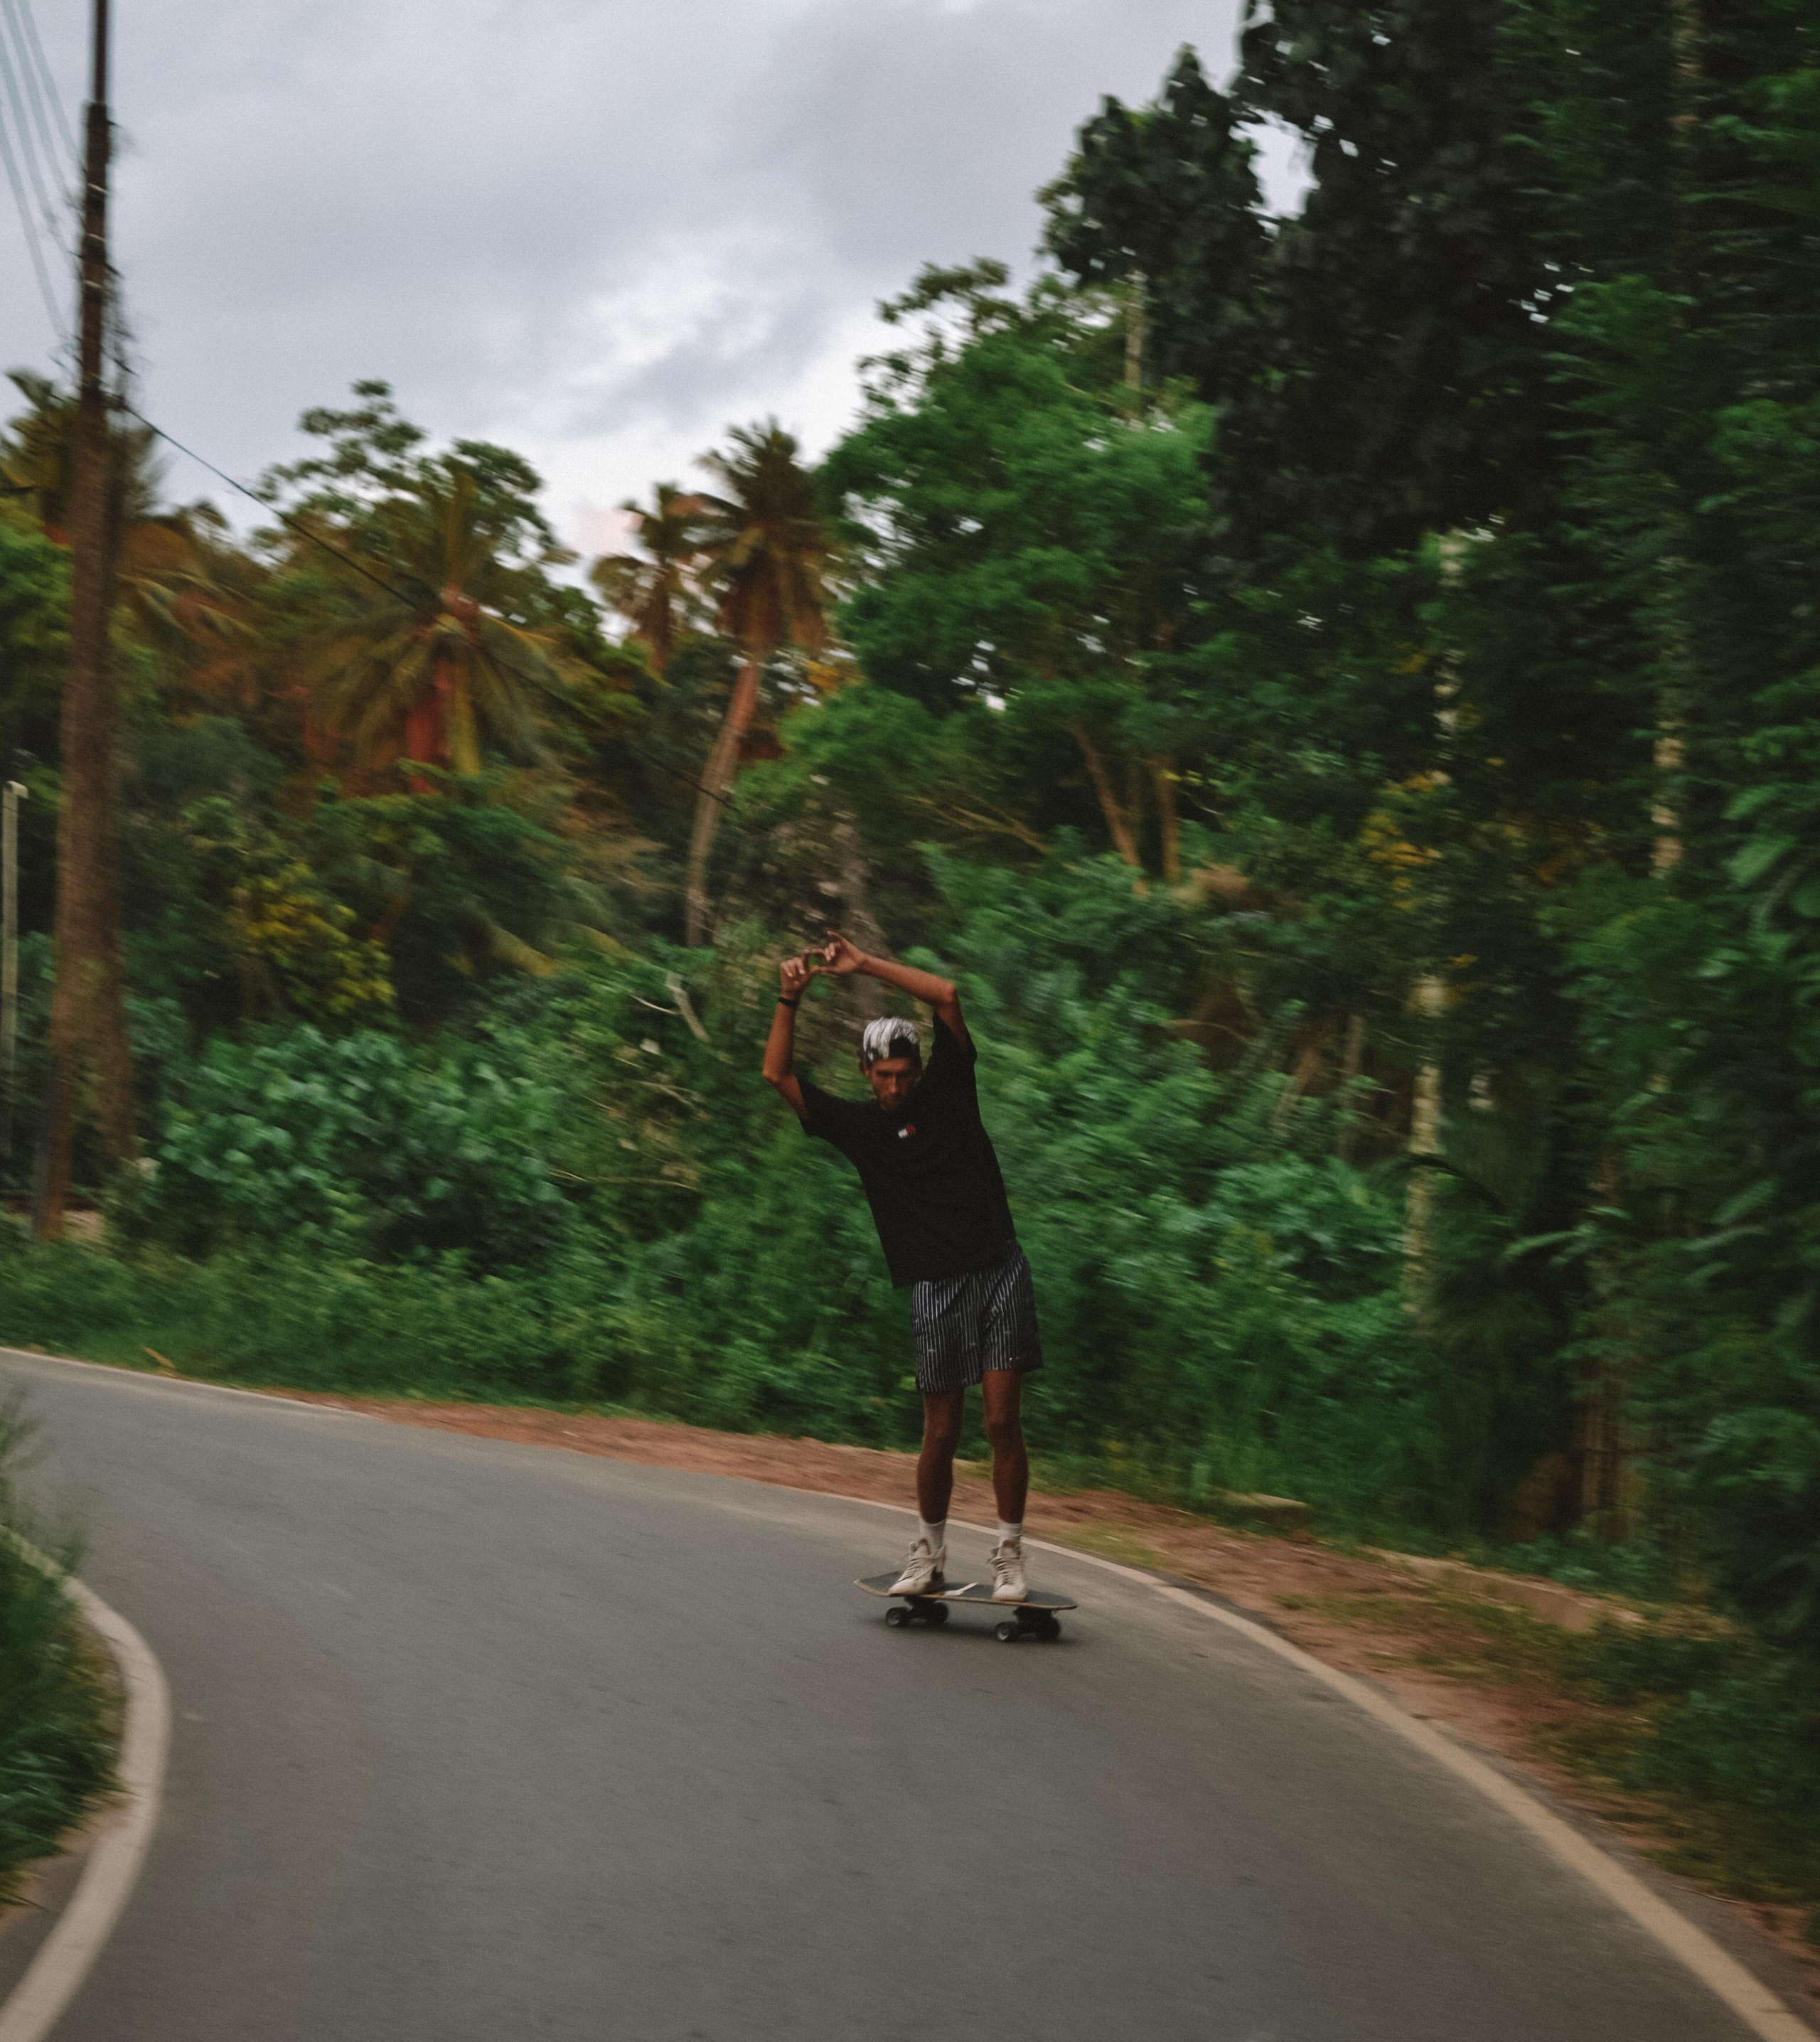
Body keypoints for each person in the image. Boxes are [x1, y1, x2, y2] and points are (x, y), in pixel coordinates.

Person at [763, 934, 1042, 1603]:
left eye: (904, 1074)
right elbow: (778, 1076)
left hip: (999, 1269)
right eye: (883, 1076)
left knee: (1001, 1421)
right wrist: (788, 998)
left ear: (919, 1070)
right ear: (865, 1073)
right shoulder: (860, 1128)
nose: (895, 1086)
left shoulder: (951, 1091)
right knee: (940, 1431)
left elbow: (946, 994)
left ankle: (1008, 1555)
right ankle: (929, 1552)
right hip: (934, 1286)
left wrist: (863, 965)